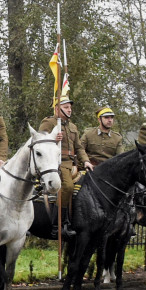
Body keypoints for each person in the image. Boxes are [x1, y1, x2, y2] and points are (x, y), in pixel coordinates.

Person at [39, 96, 88, 238]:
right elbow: (40, 143)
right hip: (56, 163)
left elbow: (79, 147)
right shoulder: (49, 122)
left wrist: (86, 161)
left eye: (70, 107)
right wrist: (53, 140)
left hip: (72, 164)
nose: (69, 110)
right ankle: (58, 224)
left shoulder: (72, 126)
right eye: (66, 107)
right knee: (67, 187)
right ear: (57, 108)